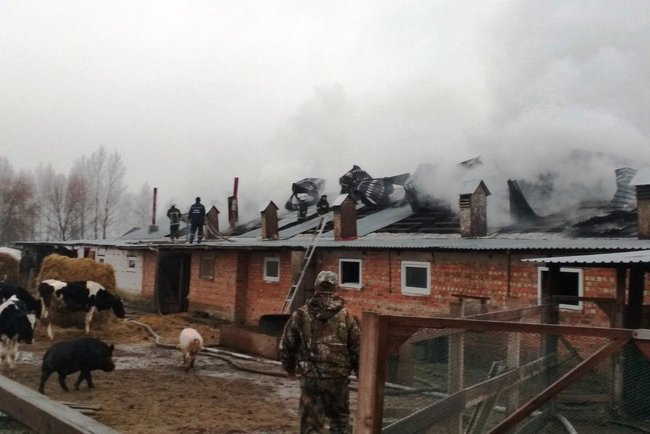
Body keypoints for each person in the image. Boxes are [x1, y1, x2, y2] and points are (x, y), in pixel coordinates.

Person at [279, 271, 361, 434]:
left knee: (311, 424)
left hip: (311, 379)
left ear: (316, 286)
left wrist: (289, 368)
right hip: (338, 379)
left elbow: (287, 344)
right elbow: (357, 349)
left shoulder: (301, 314)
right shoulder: (348, 316)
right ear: (335, 288)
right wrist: (362, 376)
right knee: (340, 422)